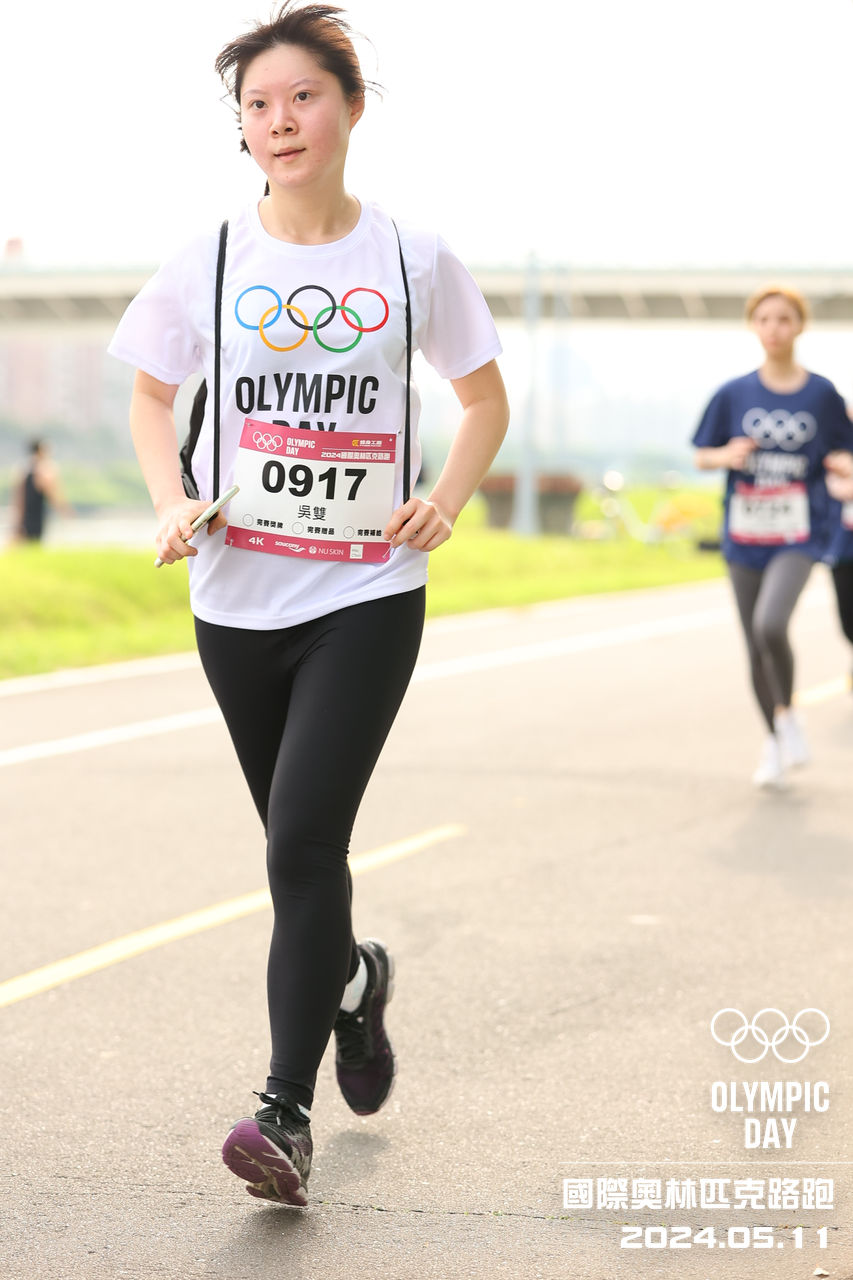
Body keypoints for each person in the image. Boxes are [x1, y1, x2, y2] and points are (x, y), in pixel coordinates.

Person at [108, 1, 509, 1208]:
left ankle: (283, 1112)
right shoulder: (209, 257)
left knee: (300, 841)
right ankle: (353, 980)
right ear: (241, 130)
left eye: (302, 97)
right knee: (298, 862)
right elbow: (149, 397)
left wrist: (443, 501)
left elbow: (482, 400)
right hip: (235, 594)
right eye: (258, 106)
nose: (280, 121)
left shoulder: (412, 259)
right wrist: (170, 498)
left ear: (350, 109)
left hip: (366, 589)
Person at [692, 286, 853, 789]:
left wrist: (841, 465)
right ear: (753, 326)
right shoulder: (733, 393)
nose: (774, 328)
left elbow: (846, 450)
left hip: (798, 533)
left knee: (771, 624)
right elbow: (701, 453)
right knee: (752, 645)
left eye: (784, 319)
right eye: (764, 319)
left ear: (800, 325)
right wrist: (726, 455)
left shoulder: (822, 394)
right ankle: (776, 736)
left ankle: (787, 716)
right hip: (744, 535)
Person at [11, 439, 72, 543]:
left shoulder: (23, 470)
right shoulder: (44, 470)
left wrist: (17, 519)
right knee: (34, 541)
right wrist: (65, 511)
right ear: (40, 451)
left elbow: (18, 499)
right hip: (36, 516)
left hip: (27, 516)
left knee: (27, 542)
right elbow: (53, 494)